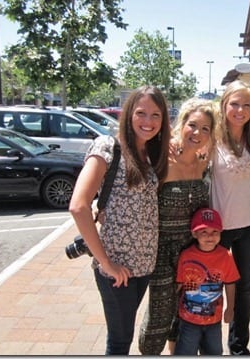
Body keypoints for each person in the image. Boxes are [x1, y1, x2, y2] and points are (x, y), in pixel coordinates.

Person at [69, 85, 170, 355]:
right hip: (118, 266)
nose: (148, 122)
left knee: (123, 333)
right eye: (141, 113)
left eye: (156, 115)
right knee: (119, 340)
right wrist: (107, 263)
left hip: (144, 263)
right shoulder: (108, 146)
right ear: (128, 115)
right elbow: (78, 206)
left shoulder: (152, 153)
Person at [138, 98, 217, 355]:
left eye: (205, 128)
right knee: (160, 314)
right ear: (181, 124)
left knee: (183, 311)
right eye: (192, 125)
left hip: (191, 252)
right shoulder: (161, 159)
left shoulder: (203, 161)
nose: (198, 133)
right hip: (160, 249)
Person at [210, 80, 250, 355]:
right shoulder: (212, 140)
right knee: (211, 287)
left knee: (244, 289)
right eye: (235, 104)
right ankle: (207, 345)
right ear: (224, 105)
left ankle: (239, 347)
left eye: (246, 105)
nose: (240, 110)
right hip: (218, 232)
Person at [174, 207, 240, 355]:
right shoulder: (186, 255)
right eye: (204, 232)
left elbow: (230, 284)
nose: (210, 237)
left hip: (214, 322)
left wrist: (230, 309)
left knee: (214, 352)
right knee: (185, 352)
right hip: (188, 321)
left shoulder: (226, 256)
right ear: (194, 233)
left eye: (214, 231)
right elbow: (178, 284)